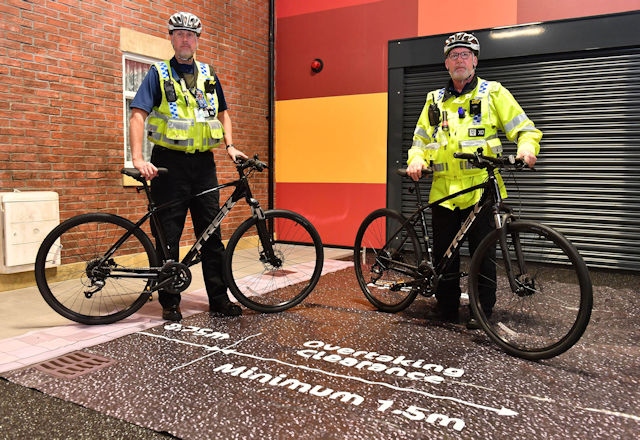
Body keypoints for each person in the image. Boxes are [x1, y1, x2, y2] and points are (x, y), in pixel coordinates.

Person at [406, 32, 541, 329]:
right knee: (445, 255)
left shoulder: (493, 93)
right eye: (454, 55)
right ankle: (446, 307)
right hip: (444, 189)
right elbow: (419, 140)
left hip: (482, 190)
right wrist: (416, 158)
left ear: (475, 61)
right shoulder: (434, 100)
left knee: (484, 255)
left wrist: (526, 148)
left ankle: (481, 312)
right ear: (446, 63)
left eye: (465, 54)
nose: (460, 59)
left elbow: (525, 129)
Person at [129, 12, 247, 322]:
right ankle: (170, 300)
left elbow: (224, 114)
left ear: (197, 41)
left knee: (211, 233)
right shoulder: (158, 73)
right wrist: (138, 159)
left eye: (191, 35)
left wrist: (230, 145)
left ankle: (219, 299)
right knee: (168, 234)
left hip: (203, 164)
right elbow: (138, 114)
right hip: (169, 164)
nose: (185, 39)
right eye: (180, 34)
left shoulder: (209, 74)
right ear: (171, 38)